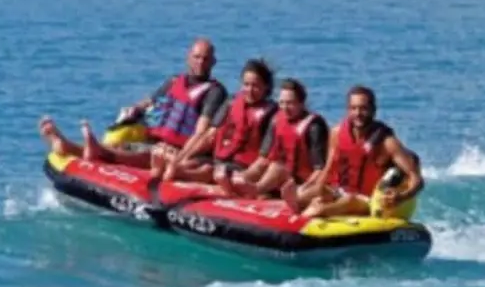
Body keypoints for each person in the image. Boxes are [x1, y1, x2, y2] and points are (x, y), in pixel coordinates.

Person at [38, 38, 227, 169]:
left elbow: (201, 132)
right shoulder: (174, 81)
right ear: (188, 57)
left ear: (214, 62)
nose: (200, 62)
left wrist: (182, 157)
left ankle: (70, 147)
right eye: (196, 57)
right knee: (123, 147)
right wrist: (134, 110)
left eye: (205, 58)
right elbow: (149, 102)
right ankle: (76, 147)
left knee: (142, 155)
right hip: (155, 140)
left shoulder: (214, 91)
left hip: (177, 149)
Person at [285, 85, 424, 219]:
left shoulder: (387, 142)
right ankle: (298, 205)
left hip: (368, 200)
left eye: (363, 109)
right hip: (340, 191)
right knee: (314, 192)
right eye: (353, 108)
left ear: (373, 110)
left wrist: (402, 197)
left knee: (350, 200)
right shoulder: (337, 133)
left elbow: (416, 178)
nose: (358, 113)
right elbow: (327, 168)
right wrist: (316, 190)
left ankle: (320, 210)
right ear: (348, 110)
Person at [151, 58, 277, 185]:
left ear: (266, 87)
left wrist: (245, 178)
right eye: (246, 84)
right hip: (219, 159)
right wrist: (184, 157)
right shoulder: (231, 103)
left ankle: (176, 173)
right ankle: (172, 170)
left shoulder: (272, 114)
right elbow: (210, 136)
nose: (249, 90)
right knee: (192, 163)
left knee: (209, 170)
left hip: (243, 166)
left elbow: (264, 159)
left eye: (255, 86)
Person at [217, 78, 330, 199]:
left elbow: (320, 169)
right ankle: (239, 182)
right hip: (277, 182)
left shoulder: (314, 127)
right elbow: (263, 159)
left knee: (277, 168)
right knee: (266, 165)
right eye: (282, 103)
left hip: (301, 183)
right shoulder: (276, 120)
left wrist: (305, 187)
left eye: (290, 103)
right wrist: (246, 175)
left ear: (301, 103)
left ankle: (255, 189)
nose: (285, 108)